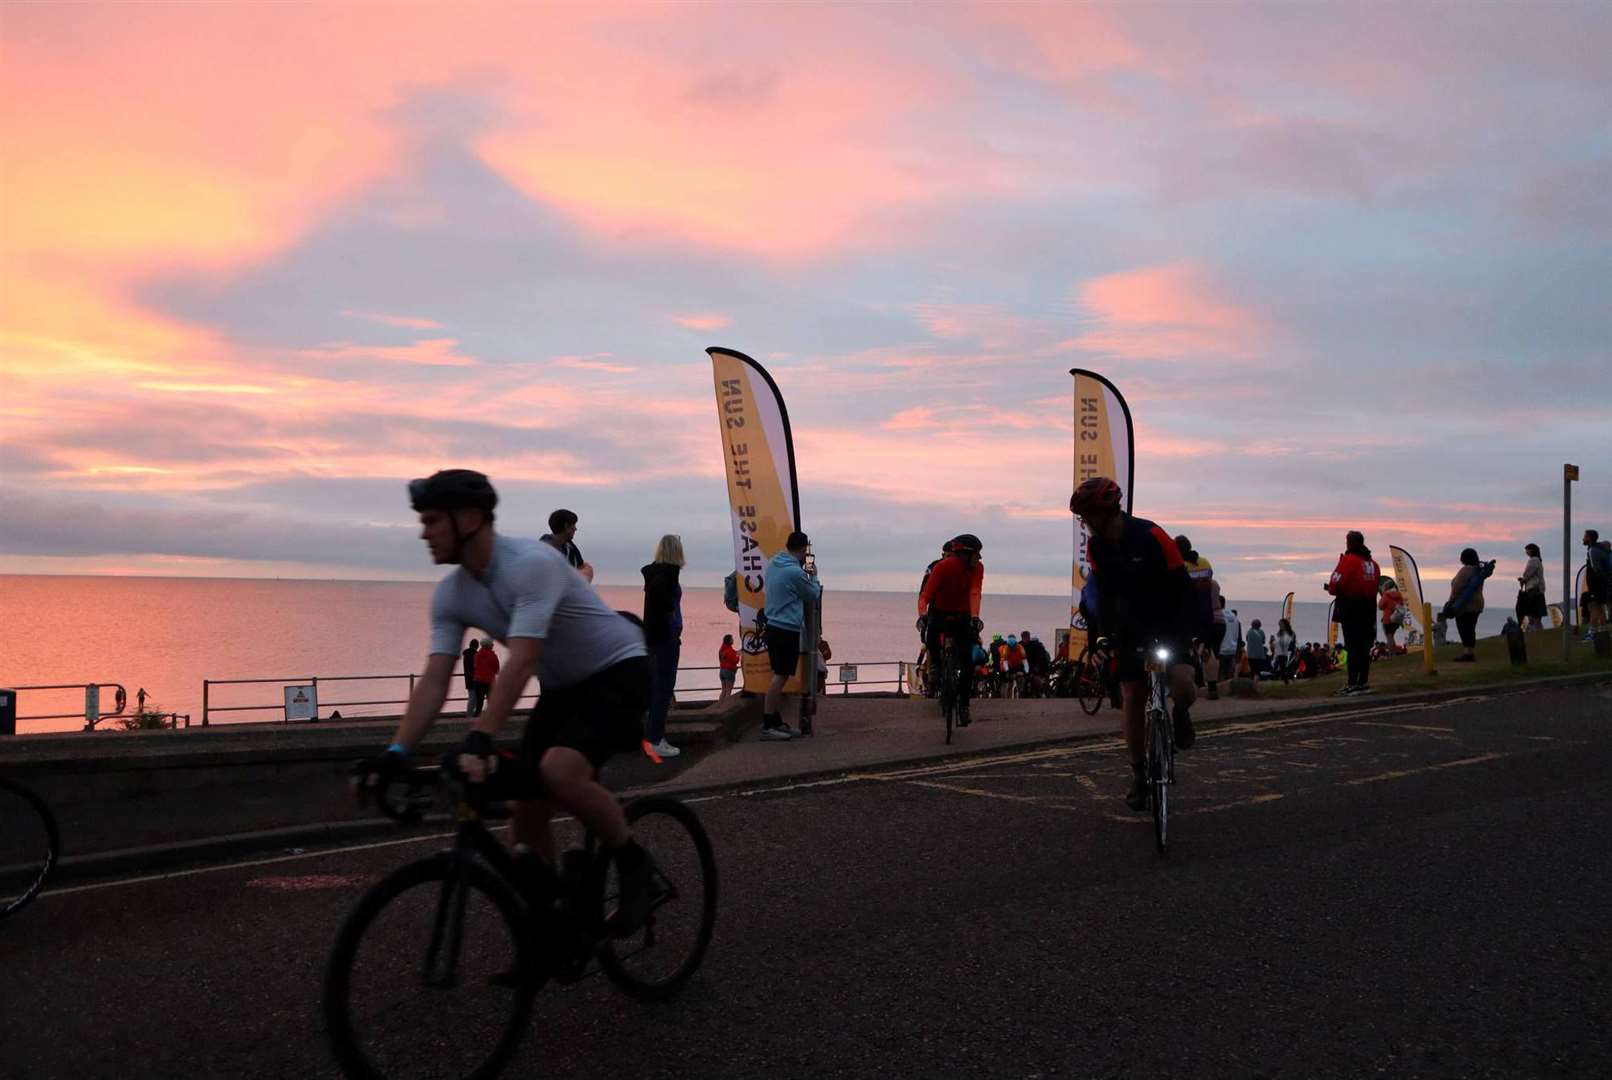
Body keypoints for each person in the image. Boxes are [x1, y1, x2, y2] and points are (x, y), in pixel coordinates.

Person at [353, 470, 654, 934]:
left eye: (433, 520)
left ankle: (636, 870)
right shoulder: (452, 593)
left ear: (470, 518)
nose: (423, 532)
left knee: (558, 772)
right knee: (526, 805)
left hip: (619, 669)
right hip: (563, 688)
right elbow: (436, 679)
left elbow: (523, 658)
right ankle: (554, 921)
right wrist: (396, 753)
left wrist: (479, 737)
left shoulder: (531, 563)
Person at [1070, 476, 1197, 812]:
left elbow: (1183, 587)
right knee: (1133, 698)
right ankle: (1139, 775)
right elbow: (1104, 594)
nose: (1085, 524)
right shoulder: (1097, 547)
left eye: (1088, 517)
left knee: (1183, 685)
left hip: (1170, 620)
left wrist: (1191, 632)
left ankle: (1181, 712)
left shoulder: (1151, 534)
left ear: (1107, 511)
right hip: (1133, 627)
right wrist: (1102, 635)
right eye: (1082, 519)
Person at [918, 533, 985, 725]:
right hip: (939, 611)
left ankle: (964, 705)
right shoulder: (942, 567)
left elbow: (975, 591)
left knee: (967, 662)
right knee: (931, 639)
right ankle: (936, 669)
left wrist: (974, 617)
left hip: (963, 614)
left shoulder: (977, 568)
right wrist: (923, 615)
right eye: (976, 554)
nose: (979, 559)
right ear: (964, 554)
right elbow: (925, 596)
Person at [761, 531, 822, 740]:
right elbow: (813, 593)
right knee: (781, 676)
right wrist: (813, 574)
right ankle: (768, 723)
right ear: (804, 550)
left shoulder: (773, 564)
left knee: (780, 673)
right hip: (786, 628)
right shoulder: (794, 573)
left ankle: (775, 720)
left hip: (773, 626)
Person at [641, 534, 685, 760]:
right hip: (665, 637)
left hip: (655, 637)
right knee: (664, 688)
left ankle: (652, 736)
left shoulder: (654, 573)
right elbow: (662, 600)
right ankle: (655, 739)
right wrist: (671, 619)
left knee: (657, 687)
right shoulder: (668, 573)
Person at [1325, 530, 1381, 694]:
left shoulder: (1349, 560)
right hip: (1369, 608)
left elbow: (1335, 584)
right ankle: (1363, 681)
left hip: (1351, 607)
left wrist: (1332, 589)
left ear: (1349, 543)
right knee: (1364, 646)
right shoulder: (1373, 564)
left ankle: (1352, 683)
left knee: (1353, 646)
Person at [1446, 547, 1492, 662]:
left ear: (1463, 558)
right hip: (1478, 603)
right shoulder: (1479, 570)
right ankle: (1470, 652)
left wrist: (1450, 602)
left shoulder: (1465, 570)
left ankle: (1468, 653)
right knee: (1471, 628)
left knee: (1463, 628)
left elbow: (1457, 588)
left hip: (1464, 605)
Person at [541, 509, 594, 583]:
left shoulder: (569, 547)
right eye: (574, 525)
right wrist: (584, 577)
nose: (576, 529)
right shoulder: (545, 551)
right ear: (566, 526)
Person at [1584, 530, 1611, 639]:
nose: (1583, 539)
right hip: (1601, 584)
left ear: (1589, 538)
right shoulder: (1599, 550)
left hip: (1596, 585)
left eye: (1584, 537)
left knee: (1593, 607)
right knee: (1600, 609)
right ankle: (1603, 632)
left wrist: (1599, 581)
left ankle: (1592, 633)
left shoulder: (1592, 550)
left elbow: (1596, 569)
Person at [1516, 543, 1546, 632]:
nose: (1526, 552)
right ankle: (1538, 632)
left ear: (1531, 550)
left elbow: (1528, 573)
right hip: (1538, 590)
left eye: (1527, 550)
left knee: (1533, 615)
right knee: (1536, 617)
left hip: (1533, 590)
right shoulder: (1538, 560)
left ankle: (1535, 632)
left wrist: (1523, 579)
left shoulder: (1533, 560)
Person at [471, 637, 499, 717]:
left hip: (478, 680)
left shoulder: (477, 655)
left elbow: (475, 666)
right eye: (492, 644)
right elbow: (497, 669)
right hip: (489, 681)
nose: (493, 645)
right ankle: (492, 717)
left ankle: (476, 717)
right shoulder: (493, 656)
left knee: (479, 702)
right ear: (489, 645)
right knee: (491, 701)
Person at [1218, 603, 1242, 687]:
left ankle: (1221, 690)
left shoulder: (1219, 617)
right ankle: (1228, 689)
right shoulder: (1235, 619)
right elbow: (1239, 636)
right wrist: (1239, 651)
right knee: (1230, 672)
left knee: (1220, 671)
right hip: (1233, 649)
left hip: (1221, 649)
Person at [1378, 578, 1406, 649]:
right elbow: (1401, 605)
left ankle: (1392, 653)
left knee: (1389, 637)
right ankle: (1394, 651)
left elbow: (1380, 606)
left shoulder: (1386, 595)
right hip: (1397, 619)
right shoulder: (1399, 594)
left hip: (1388, 619)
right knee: (1391, 636)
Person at [461, 637, 481, 716]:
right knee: (473, 699)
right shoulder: (475, 655)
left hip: (468, 679)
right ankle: (469, 715)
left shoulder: (466, 655)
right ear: (476, 646)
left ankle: (470, 714)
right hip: (475, 679)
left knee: (472, 697)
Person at [1273, 618, 1297, 682]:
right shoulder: (1279, 633)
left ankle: (1293, 678)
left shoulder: (1291, 633)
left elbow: (1291, 642)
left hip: (1289, 651)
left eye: (1281, 624)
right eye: (1279, 624)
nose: (1280, 625)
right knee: (1282, 666)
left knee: (1289, 665)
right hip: (1281, 652)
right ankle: (1286, 680)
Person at [717, 634, 740, 701]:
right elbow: (735, 661)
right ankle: (726, 707)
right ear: (729, 641)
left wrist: (736, 652)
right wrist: (738, 655)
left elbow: (728, 657)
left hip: (722, 671)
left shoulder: (722, 649)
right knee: (728, 692)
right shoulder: (729, 650)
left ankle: (719, 705)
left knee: (723, 690)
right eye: (732, 639)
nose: (733, 640)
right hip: (729, 671)